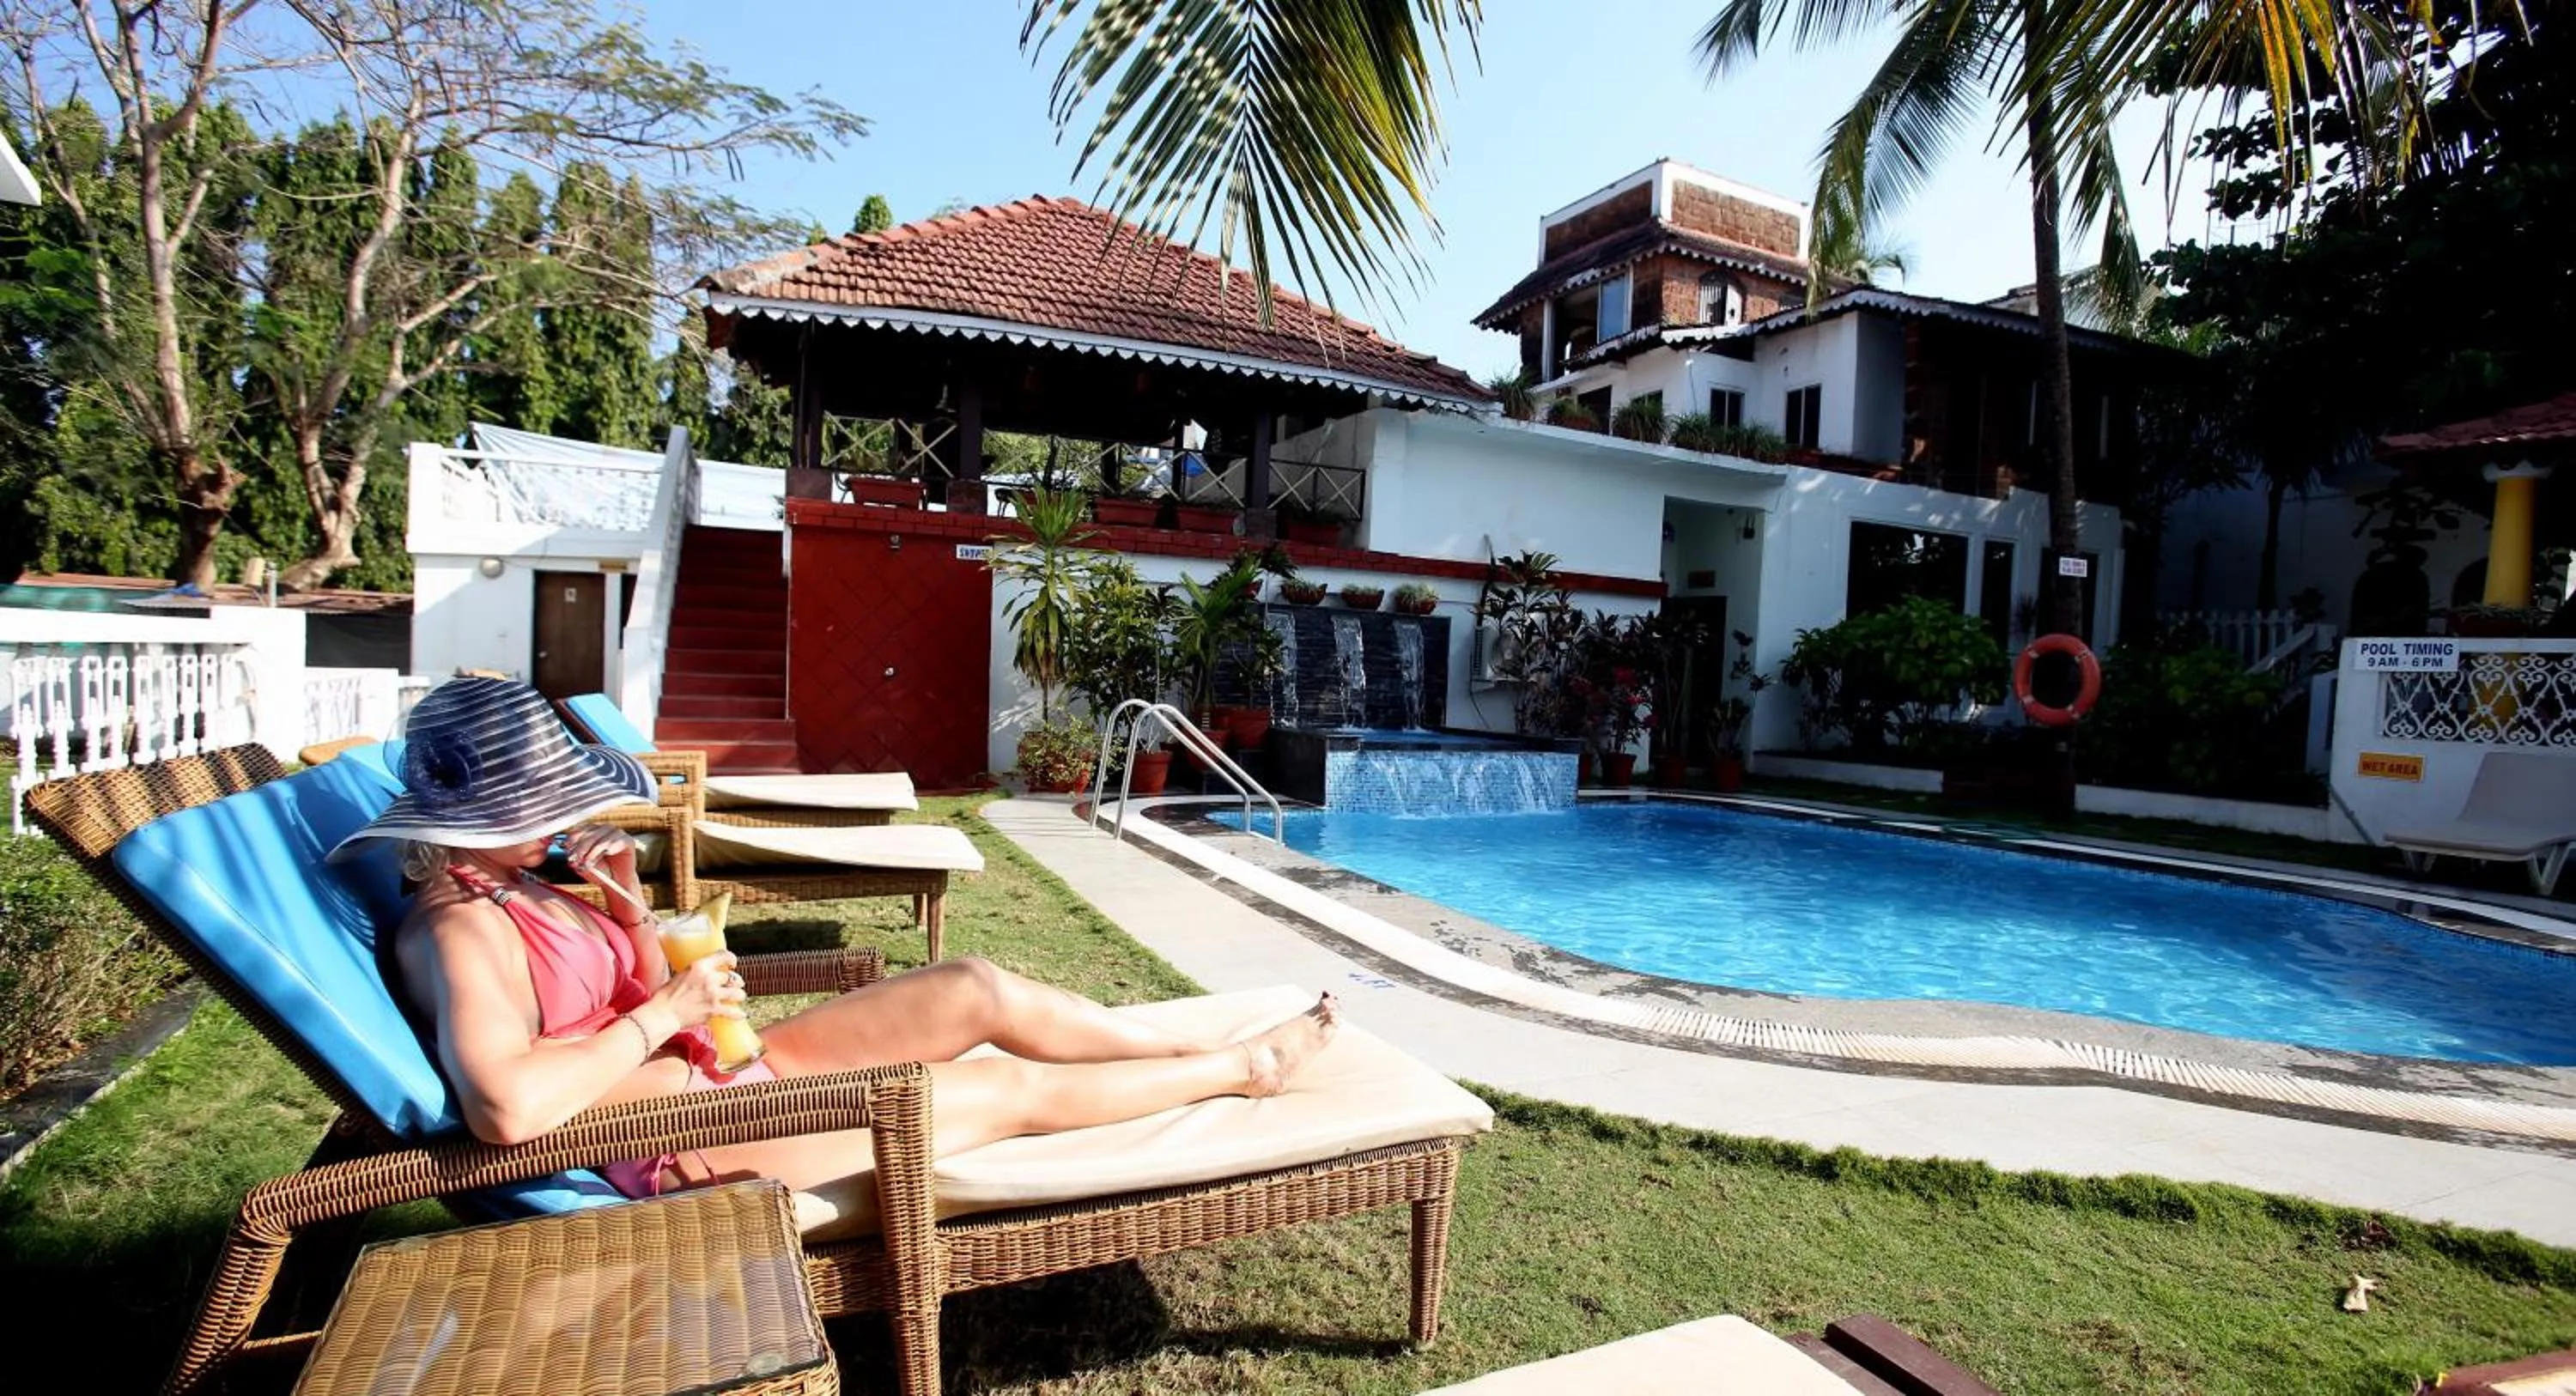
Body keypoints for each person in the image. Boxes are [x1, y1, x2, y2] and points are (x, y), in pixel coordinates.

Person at [336, 677, 1334, 1199]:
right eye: (541, 801)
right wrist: (666, 1014)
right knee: (1001, 1090)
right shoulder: (459, 927)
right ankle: (1245, 1070)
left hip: (726, 1078)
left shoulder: (521, 881)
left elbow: (624, 990)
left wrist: (628, 903)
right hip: (679, 1144)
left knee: (973, 987)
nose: (561, 816)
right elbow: (507, 1108)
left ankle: (1183, 1051)